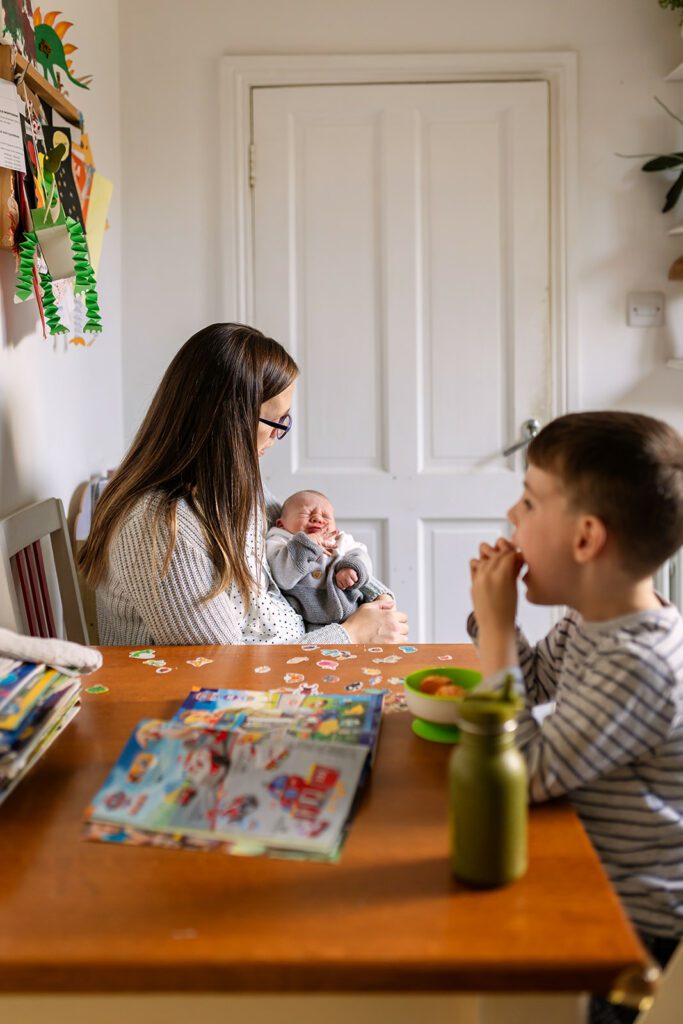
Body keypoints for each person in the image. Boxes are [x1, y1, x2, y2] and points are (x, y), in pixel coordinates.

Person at [467, 411, 683, 1024]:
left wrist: (501, 628)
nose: (513, 516)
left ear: (586, 539)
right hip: (583, 873)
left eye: (530, 502)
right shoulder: (595, 620)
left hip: (630, 938)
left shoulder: (640, 662)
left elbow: (523, 775)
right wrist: (493, 623)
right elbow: (528, 686)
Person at [78, 323, 409, 647]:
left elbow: (307, 538)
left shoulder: (234, 488)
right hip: (201, 692)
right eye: (274, 422)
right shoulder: (159, 529)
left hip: (281, 659)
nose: (278, 436)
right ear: (229, 420)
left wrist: (373, 595)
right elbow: (221, 668)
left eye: (285, 421)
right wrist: (350, 635)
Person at [266, 489, 390, 625]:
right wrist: (307, 544)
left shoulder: (340, 540)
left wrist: (352, 568)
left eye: (326, 516)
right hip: (307, 621)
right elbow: (283, 577)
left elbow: (362, 556)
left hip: (354, 612)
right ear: (280, 524)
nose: (318, 518)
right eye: (306, 513)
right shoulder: (279, 542)